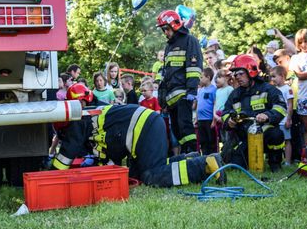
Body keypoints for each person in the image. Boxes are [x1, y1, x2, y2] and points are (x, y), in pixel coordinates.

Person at [50, 84, 227, 187]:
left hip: (143, 128)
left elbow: (67, 153)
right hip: (147, 123)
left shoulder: (78, 120)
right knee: (138, 172)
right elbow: (110, 160)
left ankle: (203, 165)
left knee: (151, 175)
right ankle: (190, 158)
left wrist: (50, 176)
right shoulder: (92, 114)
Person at [221, 55, 287, 172]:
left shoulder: (268, 89)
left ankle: (275, 164)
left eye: (241, 74)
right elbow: (225, 112)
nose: (238, 77)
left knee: (276, 135)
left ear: (250, 71)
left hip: (264, 130)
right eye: (235, 75)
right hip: (244, 135)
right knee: (237, 166)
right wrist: (229, 121)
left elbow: (281, 108)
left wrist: (268, 115)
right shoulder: (235, 94)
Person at [156, 10, 202, 153]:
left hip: (184, 94)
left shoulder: (190, 40)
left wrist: (191, 91)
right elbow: (166, 73)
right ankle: (185, 154)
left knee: (185, 127)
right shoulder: (169, 46)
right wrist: (163, 99)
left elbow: (194, 68)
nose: (165, 33)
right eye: (163, 30)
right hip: (171, 98)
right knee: (176, 129)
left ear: (174, 24)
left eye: (166, 29)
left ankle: (193, 154)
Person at [270, 66, 294, 165]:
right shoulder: (273, 89)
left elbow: (290, 105)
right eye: (271, 77)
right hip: (275, 119)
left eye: (274, 76)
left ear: (282, 76)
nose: (272, 79)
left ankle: (288, 161)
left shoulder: (287, 89)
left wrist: (288, 119)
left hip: (284, 120)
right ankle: (276, 159)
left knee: (287, 140)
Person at [195, 68, 217, 155]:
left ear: (208, 77)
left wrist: (214, 120)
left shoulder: (213, 89)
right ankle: (204, 158)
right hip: (201, 120)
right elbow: (198, 105)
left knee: (211, 140)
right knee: (203, 140)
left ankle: (213, 158)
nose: (200, 79)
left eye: (201, 77)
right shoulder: (200, 90)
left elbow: (215, 104)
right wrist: (196, 118)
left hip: (209, 120)